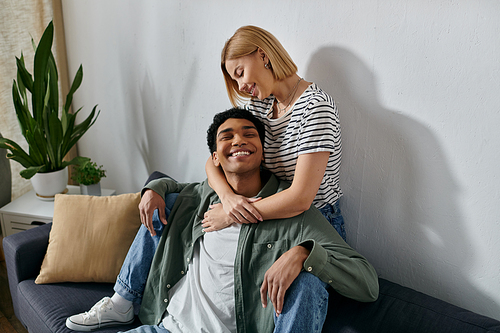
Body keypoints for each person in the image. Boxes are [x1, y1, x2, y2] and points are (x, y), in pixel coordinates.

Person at [66, 109, 378, 333]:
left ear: (261, 152)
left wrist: (302, 254)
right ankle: (122, 302)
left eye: (249, 134)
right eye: (227, 136)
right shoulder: (200, 197)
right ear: (215, 157)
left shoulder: (294, 216)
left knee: (310, 283)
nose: (239, 140)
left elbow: (367, 283)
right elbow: (171, 188)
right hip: (164, 327)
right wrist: (152, 189)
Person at [202, 25, 346, 241]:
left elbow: (301, 199)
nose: (240, 86)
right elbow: (214, 160)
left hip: (315, 224)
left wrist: (232, 215)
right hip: (271, 216)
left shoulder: (315, 107)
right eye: (235, 80)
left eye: (240, 73)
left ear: (263, 55)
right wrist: (228, 199)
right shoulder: (260, 106)